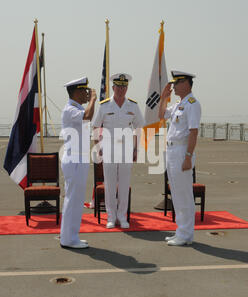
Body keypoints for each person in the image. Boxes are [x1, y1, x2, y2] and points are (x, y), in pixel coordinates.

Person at [92, 73, 145, 229]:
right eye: (118, 87)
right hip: (108, 148)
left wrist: (136, 149)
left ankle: (122, 216)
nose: (121, 90)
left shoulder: (133, 106)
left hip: (126, 148)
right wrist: (98, 146)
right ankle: (110, 216)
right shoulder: (104, 105)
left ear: (127, 88)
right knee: (109, 184)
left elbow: (139, 127)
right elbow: (96, 126)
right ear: (113, 87)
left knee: (124, 184)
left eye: (124, 87)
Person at [158, 71, 202, 246]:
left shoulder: (192, 104)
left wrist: (188, 157)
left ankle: (185, 234)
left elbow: (193, 132)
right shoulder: (179, 104)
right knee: (176, 193)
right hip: (171, 151)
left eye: (177, 83)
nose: (174, 86)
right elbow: (162, 115)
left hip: (182, 151)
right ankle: (181, 231)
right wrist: (163, 98)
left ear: (187, 84)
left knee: (184, 194)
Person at [60, 77, 96, 249]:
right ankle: (67, 238)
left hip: (79, 158)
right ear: (76, 92)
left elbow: (88, 116)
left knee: (77, 200)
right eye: (84, 91)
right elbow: (88, 116)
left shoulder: (78, 108)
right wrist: (94, 99)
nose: (87, 94)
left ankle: (72, 236)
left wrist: (91, 102)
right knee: (72, 199)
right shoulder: (70, 110)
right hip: (74, 159)